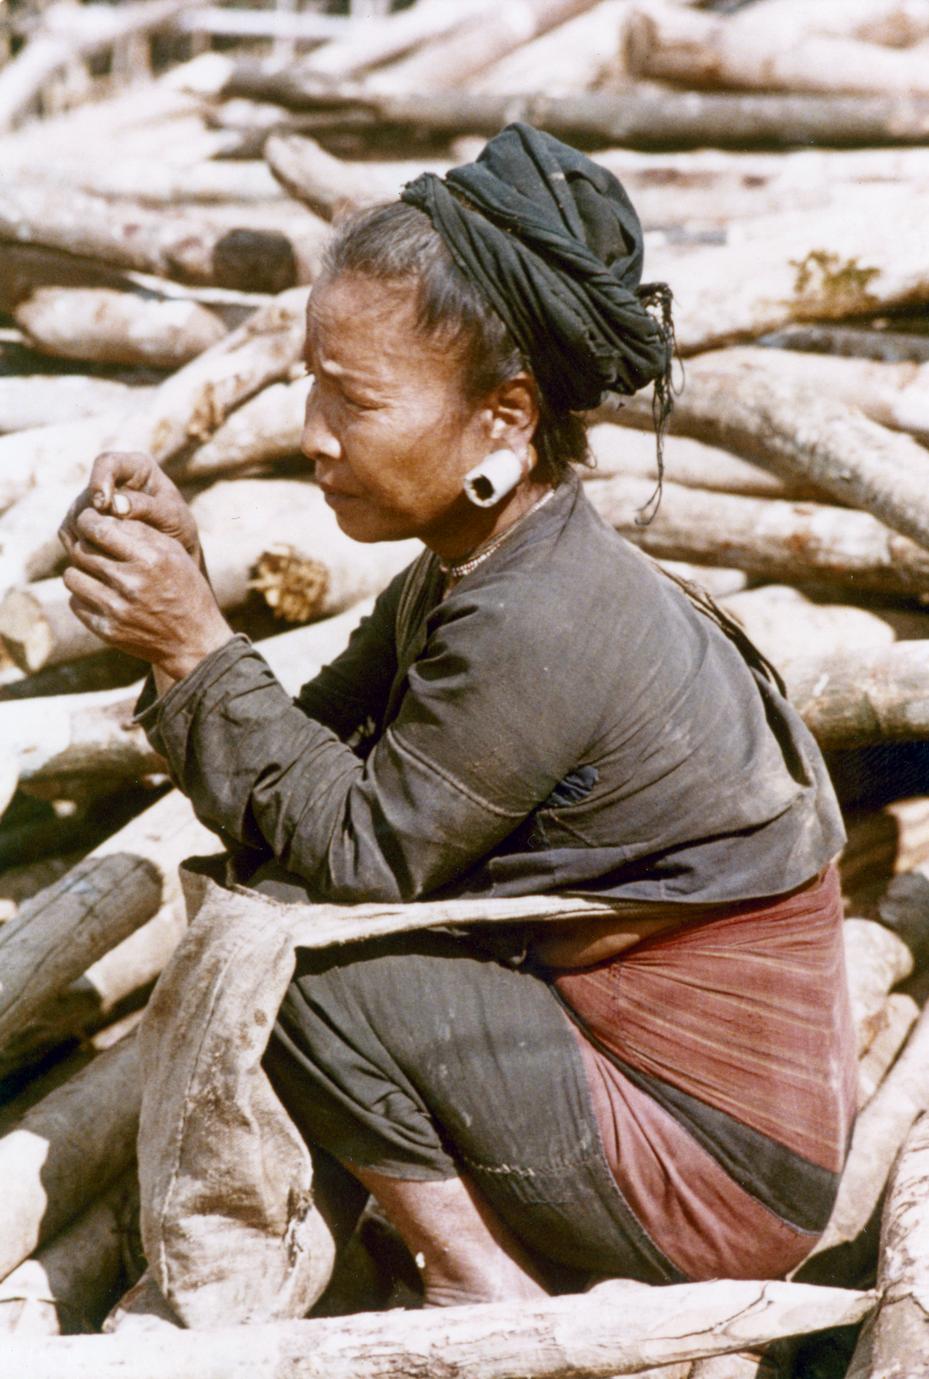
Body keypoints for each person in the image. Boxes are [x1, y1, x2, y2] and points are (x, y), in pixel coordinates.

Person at [59, 124, 856, 1308]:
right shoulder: (473, 567)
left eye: (357, 399)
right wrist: (194, 596)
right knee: (273, 914)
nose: (315, 433)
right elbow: (308, 760)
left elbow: (352, 857)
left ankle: (477, 1272)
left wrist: (190, 645)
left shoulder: (538, 612)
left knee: (279, 957)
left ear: (504, 415)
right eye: (311, 385)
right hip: (665, 1106)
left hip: (710, 1162)